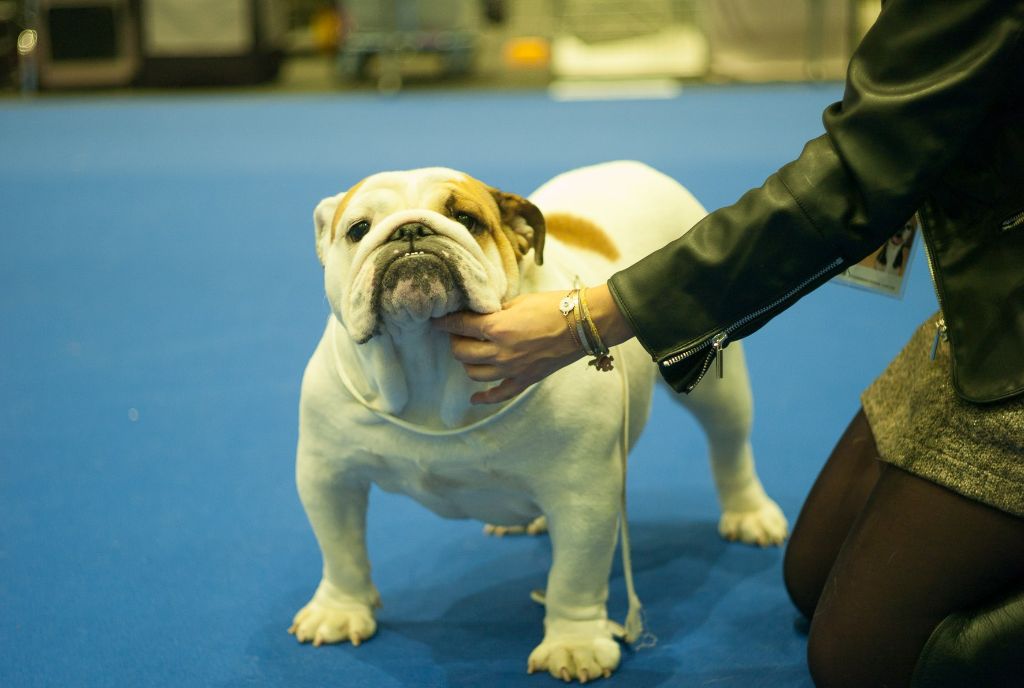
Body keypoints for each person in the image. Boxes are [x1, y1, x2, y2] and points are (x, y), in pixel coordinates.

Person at [433, 1, 1024, 686]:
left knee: (862, 663)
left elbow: (853, 179)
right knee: (811, 578)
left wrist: (589, 318)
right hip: (987, 302)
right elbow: (897, 140)